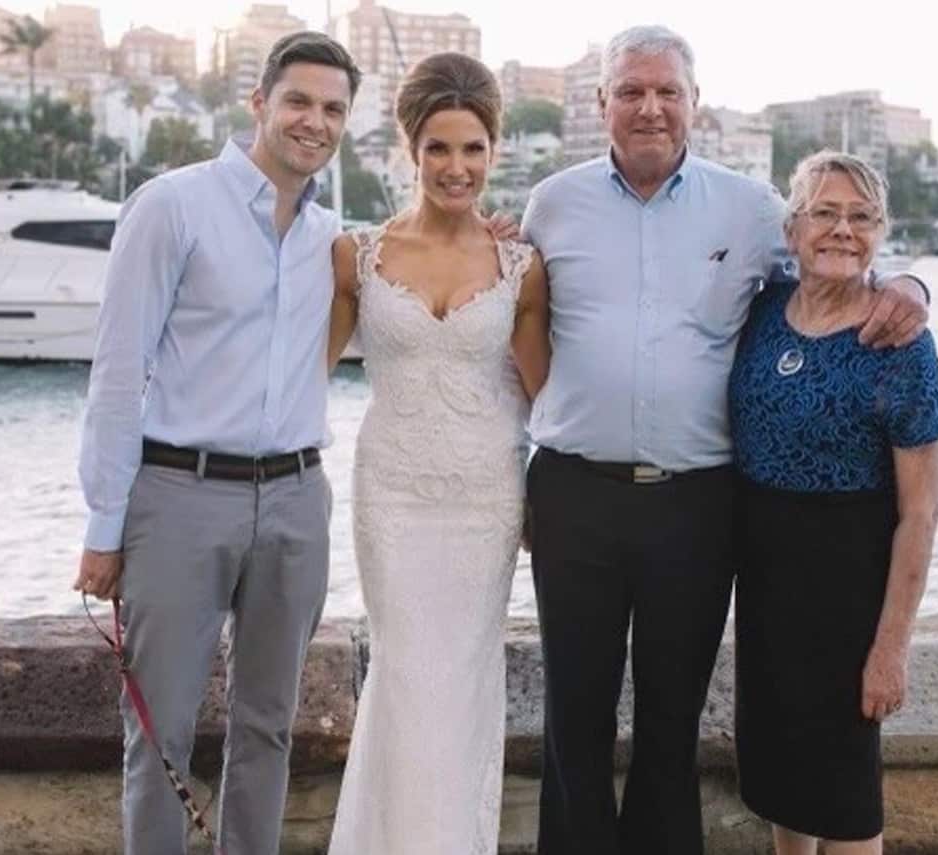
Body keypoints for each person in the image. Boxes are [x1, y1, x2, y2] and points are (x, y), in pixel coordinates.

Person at [519, 25, 930, 855]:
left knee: (672, 721)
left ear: (695, 105)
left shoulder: (747, 209)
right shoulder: (551, 202)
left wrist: (909, 282)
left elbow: (829, 270)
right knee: (575, 715)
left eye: (668, 91)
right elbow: (518, 319)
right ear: (601, 104)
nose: (650, 107)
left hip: (696, 504)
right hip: (574, 495)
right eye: (631, 91)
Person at [72, 31, 360, 855]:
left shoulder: (331, 237)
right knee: (158, 730)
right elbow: (118, 373)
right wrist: (104, 525)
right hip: (180, 495)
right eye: (299, 100)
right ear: (259, 102)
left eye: (333, 108)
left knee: (269, 726)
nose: (315, 121)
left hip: (300, 499)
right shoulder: (172, 205)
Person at [325, 52, 551, 854]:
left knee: (461, 686)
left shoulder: (521, 268)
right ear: (410, 150)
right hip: (392, 498)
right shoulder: (357, 256)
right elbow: (295, 377)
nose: (457, 168)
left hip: (485, 503)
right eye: (439, 150)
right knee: (405, 678)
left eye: (474, 149)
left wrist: (549, 502)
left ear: (495, 151)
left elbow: (549, 398)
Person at [728, 150, 938, 855]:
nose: (842, 230)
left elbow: (921, 512)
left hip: (850, 594)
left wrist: (891, 648)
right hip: (764, 589)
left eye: (860, 217)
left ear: (880, 233)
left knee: (848, 802)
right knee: (782, 785)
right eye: (825, 212)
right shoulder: (761, 312)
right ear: (793, 229)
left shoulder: (901, 343)